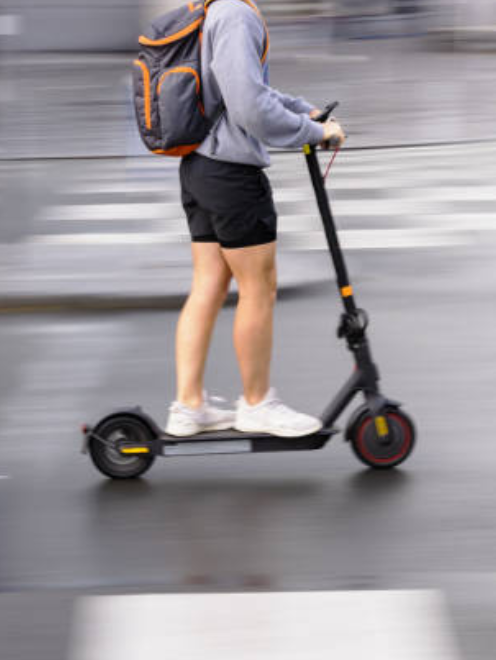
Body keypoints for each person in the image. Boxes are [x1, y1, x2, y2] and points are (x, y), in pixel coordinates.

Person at [165, 0, 346, 438]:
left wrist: (302, 109)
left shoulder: (211, 8)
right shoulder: (236, 14)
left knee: (208, 284)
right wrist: (314, 132)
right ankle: (257, 403)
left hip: (200, 166)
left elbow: (243, 90)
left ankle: (188, 407)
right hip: (230, 173)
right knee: (258, 286)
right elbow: (248, 106)